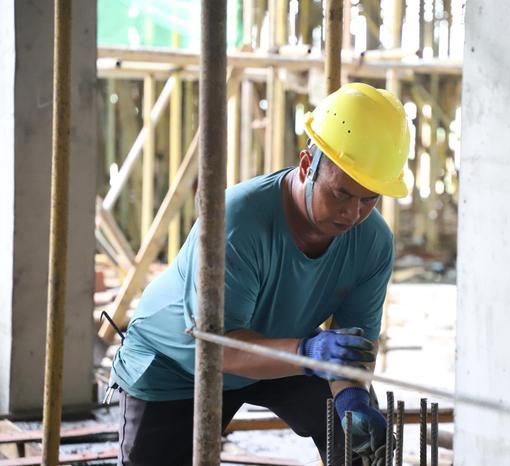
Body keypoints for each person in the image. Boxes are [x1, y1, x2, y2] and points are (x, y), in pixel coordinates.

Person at [108, 82, 410, 465]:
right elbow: (215, 348)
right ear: (306, 166)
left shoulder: (373, 242)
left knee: (358, 437)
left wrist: (352, 397)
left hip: (282, 350)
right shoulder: (237, 222)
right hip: (178, 362)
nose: (353, 214)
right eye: (341, 193)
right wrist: (307, 352)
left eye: (370, 199)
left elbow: (354, 349)